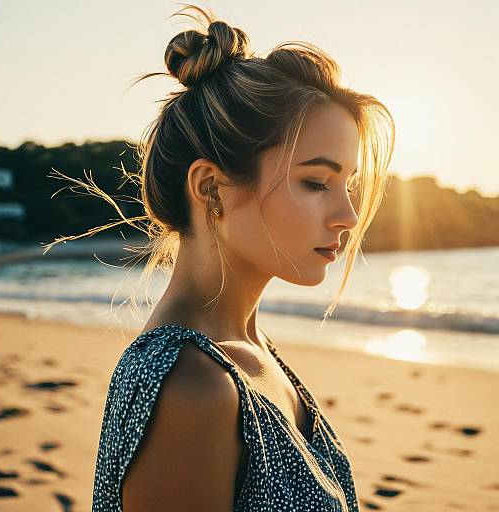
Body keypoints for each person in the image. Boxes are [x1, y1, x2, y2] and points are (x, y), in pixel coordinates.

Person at [89, 3, 395, 511]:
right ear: (211, 188)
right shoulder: (190, 385)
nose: (347, 214)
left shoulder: (248, 352)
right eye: (316, 182)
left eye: (349, 184)